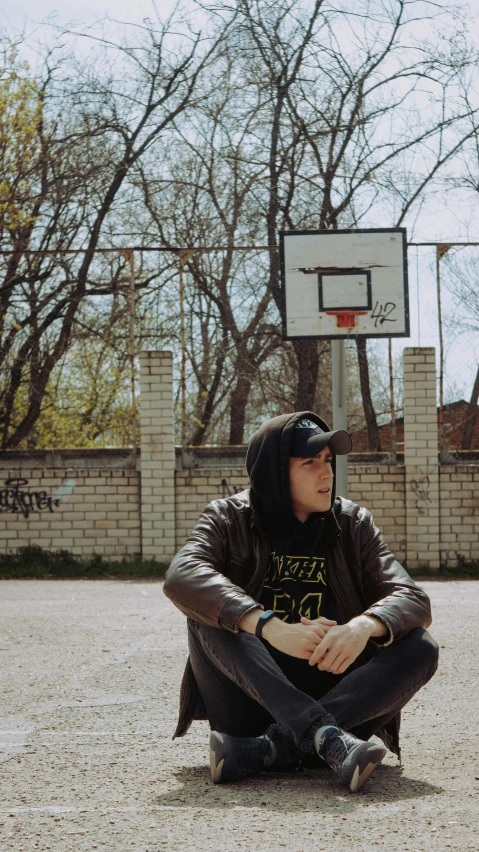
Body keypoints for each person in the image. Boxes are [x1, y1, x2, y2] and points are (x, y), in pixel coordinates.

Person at [164, 412, 438, 792]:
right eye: (310, 463)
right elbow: (181, 575)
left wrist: (362, 626)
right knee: (209, 614)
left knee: (420, 646)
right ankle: (322, 738)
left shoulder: (354, 523)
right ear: (275, 472)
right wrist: (270, 627)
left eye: (328, 461)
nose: (326, 473)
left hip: (340, 704)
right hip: (248, 700)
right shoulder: (229, 517)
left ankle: (271, 749)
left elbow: (412, 598)